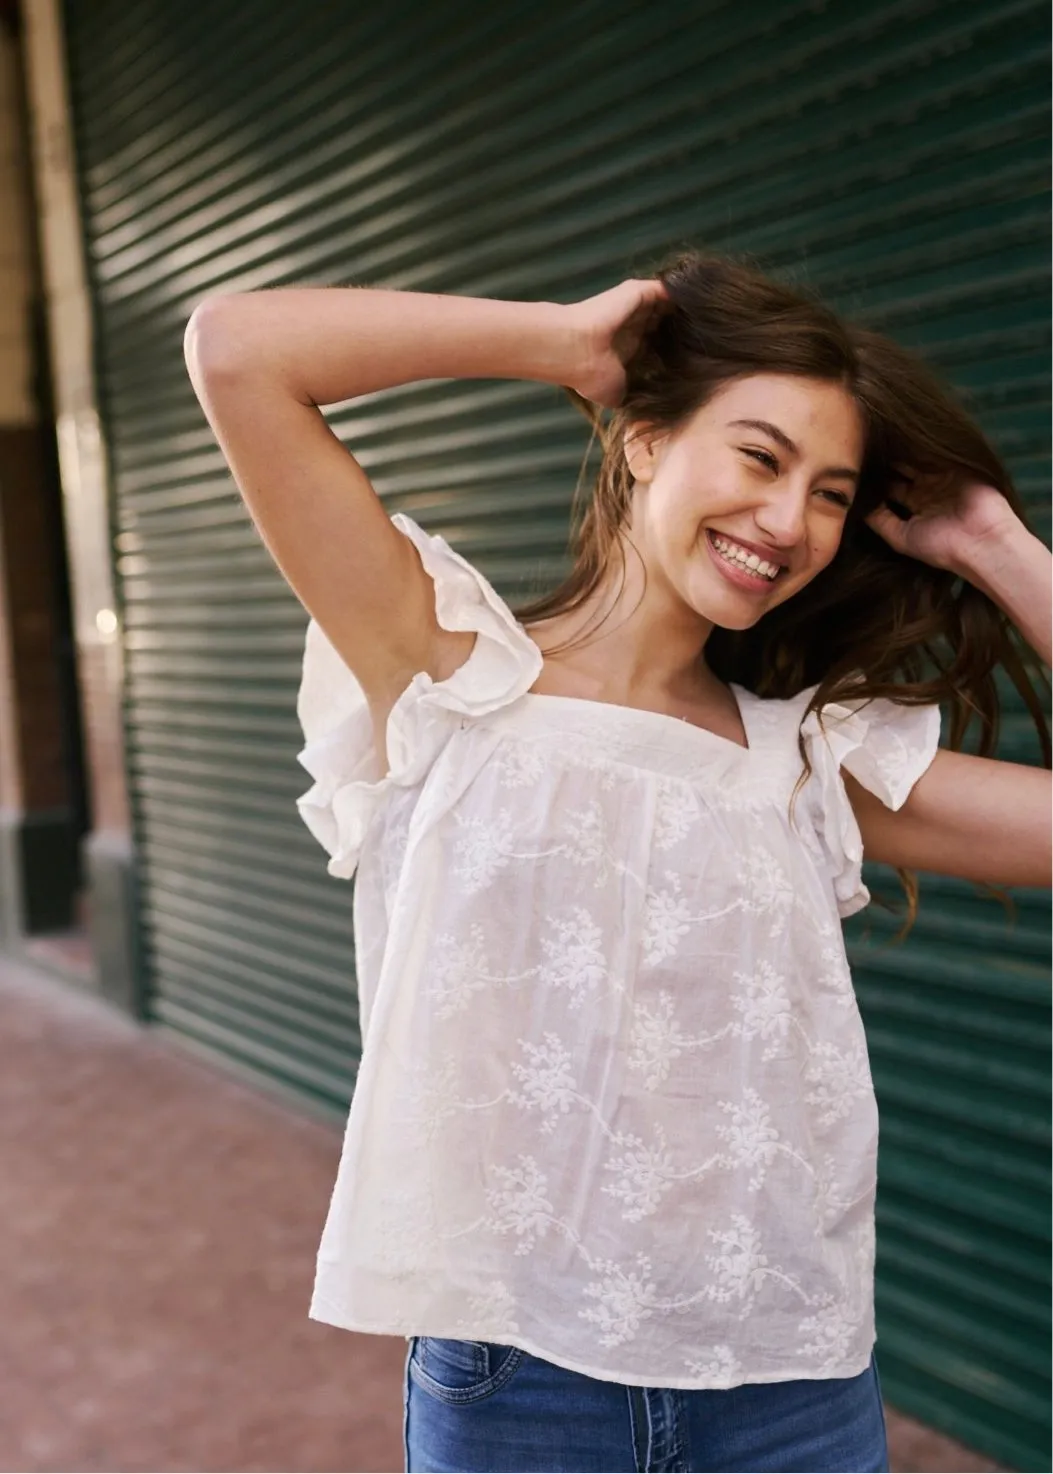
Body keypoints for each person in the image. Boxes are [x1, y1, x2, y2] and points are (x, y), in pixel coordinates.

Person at [184, 252, 1051, 1474]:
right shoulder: (448, 672)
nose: (788, 520)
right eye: (759, 457)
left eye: (830, 493)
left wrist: (998, 545)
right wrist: (561, 343)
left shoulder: (806, 759)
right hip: (524, 1384)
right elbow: (238, 350)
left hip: (789, 1390)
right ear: (643, 441)